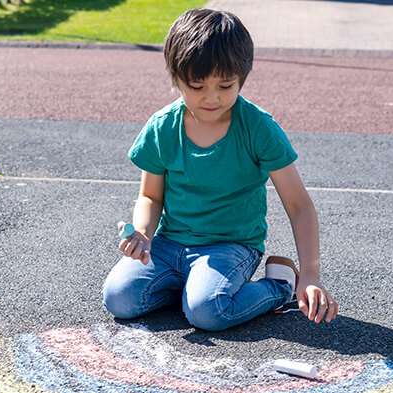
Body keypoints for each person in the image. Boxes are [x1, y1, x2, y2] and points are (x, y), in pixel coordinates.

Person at [101, 8, 339, 331]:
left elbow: (299, 205)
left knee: (208, 311)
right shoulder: (162, 127)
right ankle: (192, 289)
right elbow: (150, 196)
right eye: (197, 86)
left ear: (242, 77)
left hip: (232, 245)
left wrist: (310, 275)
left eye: (225, 86)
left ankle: (280, 285)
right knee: (118, 298)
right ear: (176, 78)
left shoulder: (257, 128)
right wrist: (143, 233)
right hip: (170, 244)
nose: (211, 98)